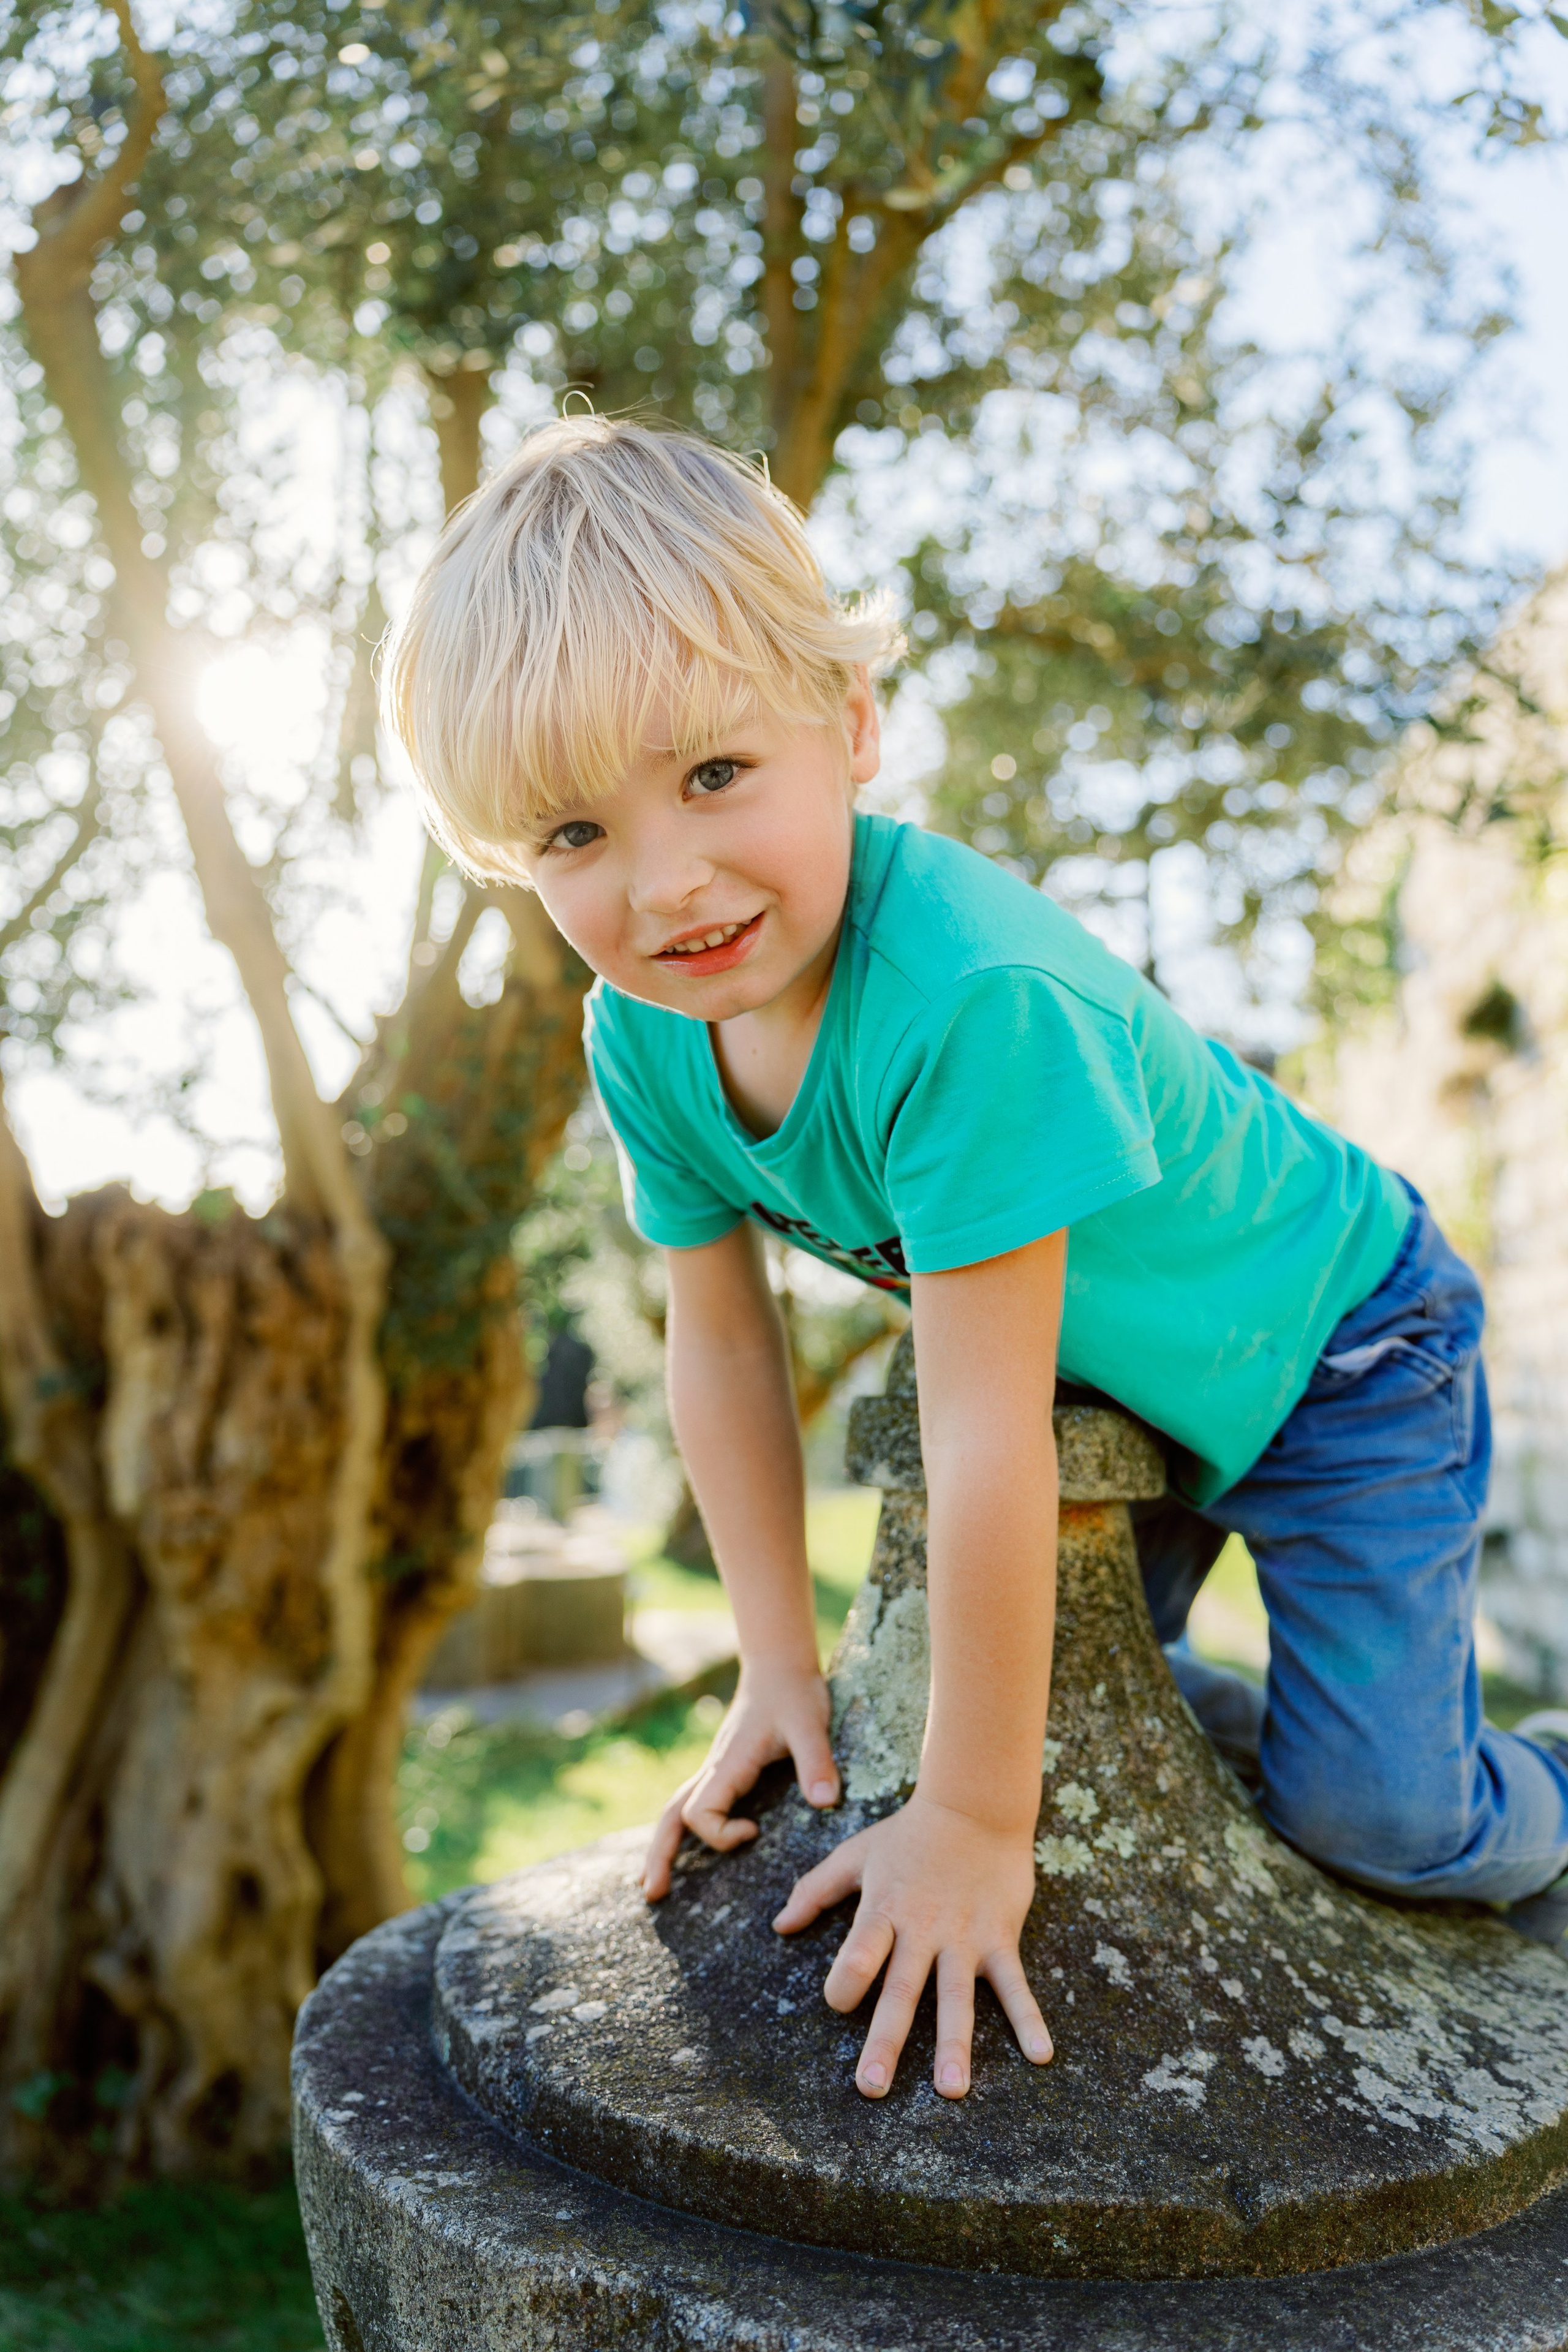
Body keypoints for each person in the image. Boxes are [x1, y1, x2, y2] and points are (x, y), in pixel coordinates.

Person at [384, 413, 1568, 2106]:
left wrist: (972, 1821)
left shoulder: (969, 999)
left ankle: (1510, 1776)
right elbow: (719, 1343)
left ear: (852, 725)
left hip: (1339, 1347)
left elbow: (982, 1431)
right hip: (1117, 1375)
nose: (668, 883)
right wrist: (774, 1665)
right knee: (1062, 1697)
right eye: (573, 834)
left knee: (1383, 1822)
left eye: (714, 775)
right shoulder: (639, 1035)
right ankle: (1309, 1716)